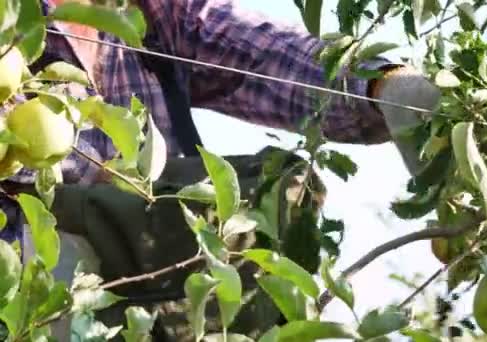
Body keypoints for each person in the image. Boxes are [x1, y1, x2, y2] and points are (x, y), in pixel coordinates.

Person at [0, 0, 441, 340]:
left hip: (164, 310)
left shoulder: (149, 16)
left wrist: (384, 86)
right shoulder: (11, 30)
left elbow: (268, 55)